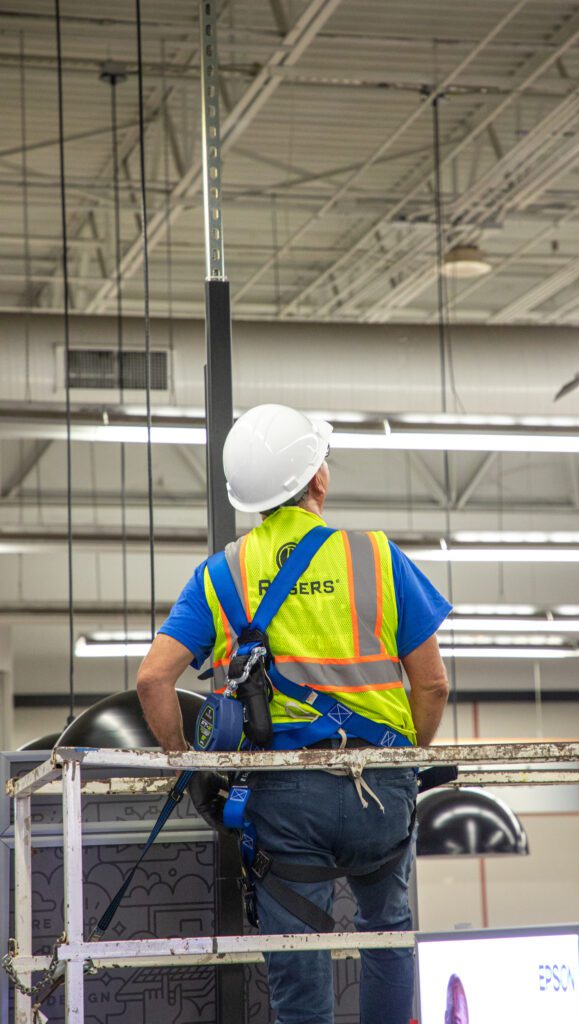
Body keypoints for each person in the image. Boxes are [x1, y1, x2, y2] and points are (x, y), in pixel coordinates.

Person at [137, 403, 451, 1024]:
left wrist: (188, 763)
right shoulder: (378, 557)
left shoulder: (222, 573)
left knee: (300, 962)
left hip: (285, 795)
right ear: (319, 480)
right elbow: (434, 685)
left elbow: (152, 681)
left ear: (248, 498)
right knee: (386, 928)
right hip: (380, 789)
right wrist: (403, 762)